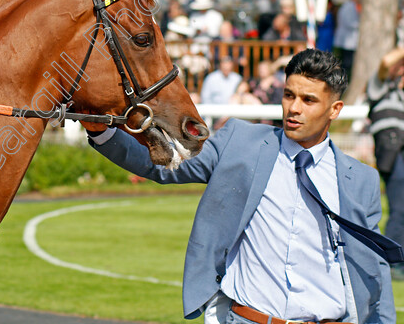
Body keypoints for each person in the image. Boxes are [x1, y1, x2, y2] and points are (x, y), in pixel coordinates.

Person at [86, 49, 393, 322]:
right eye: (289, 95)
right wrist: (99, 129)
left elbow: (373, 268)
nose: (294, 108)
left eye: (308, 100)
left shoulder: (361, 180)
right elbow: (167, 167)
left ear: (335, 109)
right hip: (246, 317)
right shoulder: (240, 141)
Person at [367, 47, 404, 280]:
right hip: (391, 149)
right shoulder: (378, 87)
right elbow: (385, 61)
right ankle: (392, 261)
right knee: (399, 207)